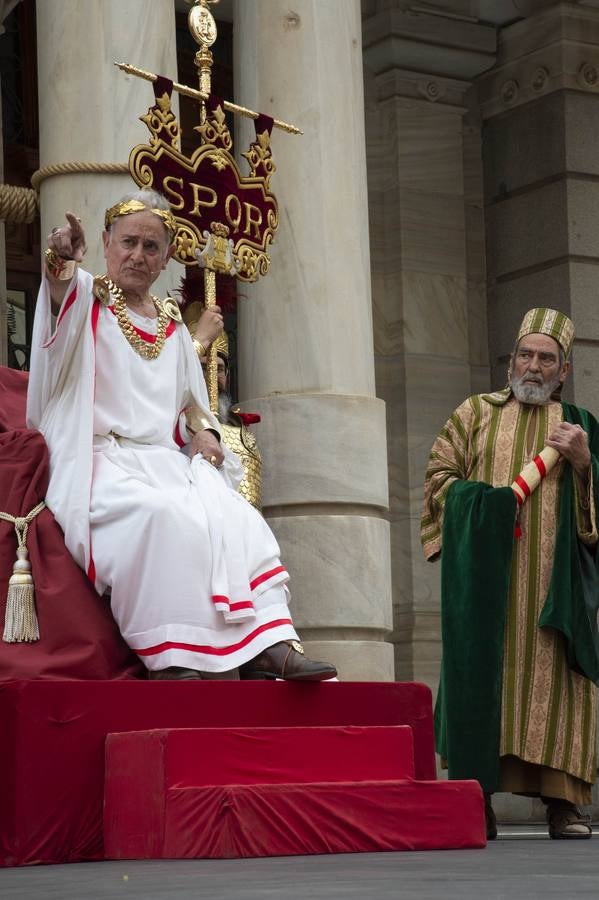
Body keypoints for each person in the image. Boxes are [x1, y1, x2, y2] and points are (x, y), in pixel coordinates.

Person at [26, 188, 337, 683]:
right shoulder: (90, 300)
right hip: (98, 462)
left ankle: (269, 646)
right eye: (128, 242)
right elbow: (59, 284)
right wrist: (60, 256)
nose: (138, 256)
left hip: (163, 462)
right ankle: (172, 657)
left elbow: (194, 406)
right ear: (106, 242)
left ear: (167, 256)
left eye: (152, 247)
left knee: (237, 516)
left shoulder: (172, 325)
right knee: (163, 516)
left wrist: (206, 435)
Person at [421, 308, 599, 840]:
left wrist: (586, 465)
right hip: (484, 587)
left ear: (563, 370)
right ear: (510, 362)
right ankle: (476, 798)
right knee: (482, 683)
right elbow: (437, 481)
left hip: (553, 589)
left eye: (547, 359)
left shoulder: (580, 427)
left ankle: (562, 805)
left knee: (558, 687)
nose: (535, 366)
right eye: (526, 354)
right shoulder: (473, 414)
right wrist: (482, 504)